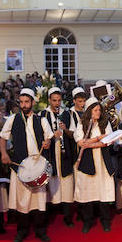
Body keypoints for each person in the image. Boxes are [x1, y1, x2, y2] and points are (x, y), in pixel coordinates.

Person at [0, 88, 54, 242]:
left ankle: (40, 230)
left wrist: (47, 142)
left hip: (37, 166)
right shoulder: (12, 119)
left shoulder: (41, 120)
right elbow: (3, 138)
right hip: (20, 166)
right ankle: (22, 231)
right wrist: (3, 153)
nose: (24, 105)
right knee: (22, 200)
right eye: (21, 102)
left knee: (39, 200)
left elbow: (49, 138)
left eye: (26, 102)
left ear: (32, 102)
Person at [74, 97, 117, 233]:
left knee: (103, 192)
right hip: (88, 162)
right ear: (89, 111)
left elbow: (108, 141)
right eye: (95, 110)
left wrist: (91, 143)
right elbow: (81, 142)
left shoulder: (105, 123)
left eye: (99, 110)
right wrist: (98, 138)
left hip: (103, 161)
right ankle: (87, 221)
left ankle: (105, 221)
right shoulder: (82, 124)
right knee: (88, 191)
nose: (98, 112)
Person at [41, 88, 76, 227]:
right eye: (54, 101)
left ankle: (67, 216)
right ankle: (51, 213)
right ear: (49, 100)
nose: (57, 103)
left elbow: (73, 134)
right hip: (50, 153)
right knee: (52, 181)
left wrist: (65, 129)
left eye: (59, 101)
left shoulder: (67, 114)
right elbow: (40, 134)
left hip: (64, 151)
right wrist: (51, 136)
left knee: (66, 182)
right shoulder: (43, 114)